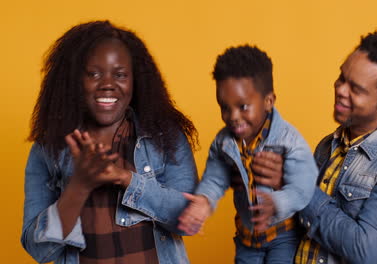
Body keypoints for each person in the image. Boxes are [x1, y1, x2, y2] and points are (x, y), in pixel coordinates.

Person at [21, 20, 199, 264]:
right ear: (73, 80)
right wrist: (79, 186)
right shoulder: (47, 149)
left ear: (136, 81)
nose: (107, 84)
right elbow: (38, 250)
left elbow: (189, 221)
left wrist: (124, 178)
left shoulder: (165, 137)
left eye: (120, 74)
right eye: (93, 74)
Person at [260, 28, 377, 264]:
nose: (340, 90)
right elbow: (300, 228)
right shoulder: (328, 146)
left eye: (356, 89)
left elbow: (364, 250)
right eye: (342, 78)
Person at [178, 45, 318, 263]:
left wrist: (277, 203)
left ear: (268, 101)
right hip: (246, 237)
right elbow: (216, 178)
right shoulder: (224, 141)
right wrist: (204, 201)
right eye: (225, 107)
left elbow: (304, 186)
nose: (233, 116)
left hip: (283, 236)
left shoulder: (289, 141)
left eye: (243, 106)